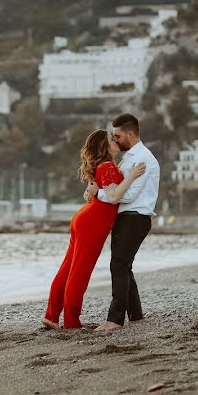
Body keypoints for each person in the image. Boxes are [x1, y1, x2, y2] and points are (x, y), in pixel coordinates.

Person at [43, 130, 146, 330]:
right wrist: (131, 176)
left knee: (67, 270)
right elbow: (114, 196)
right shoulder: (107, 166)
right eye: (111, 139)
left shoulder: (105, 166)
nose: (116, 140)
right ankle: (71, 323)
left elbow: (98, 193)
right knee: (79, 273)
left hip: (85, 219)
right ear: (104, 146)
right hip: (92, 223)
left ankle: (51, 316)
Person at [85, 113, 160, 331]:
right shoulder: (129, 158)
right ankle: (136, 316)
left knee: (118, 265)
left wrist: (99, 193)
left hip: (135, 217)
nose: (115, 140)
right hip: (128, 217)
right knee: (124, 267)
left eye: (118, 136)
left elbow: (126, 196)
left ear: (130, 133)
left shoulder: (142, 159)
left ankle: (114, 320)